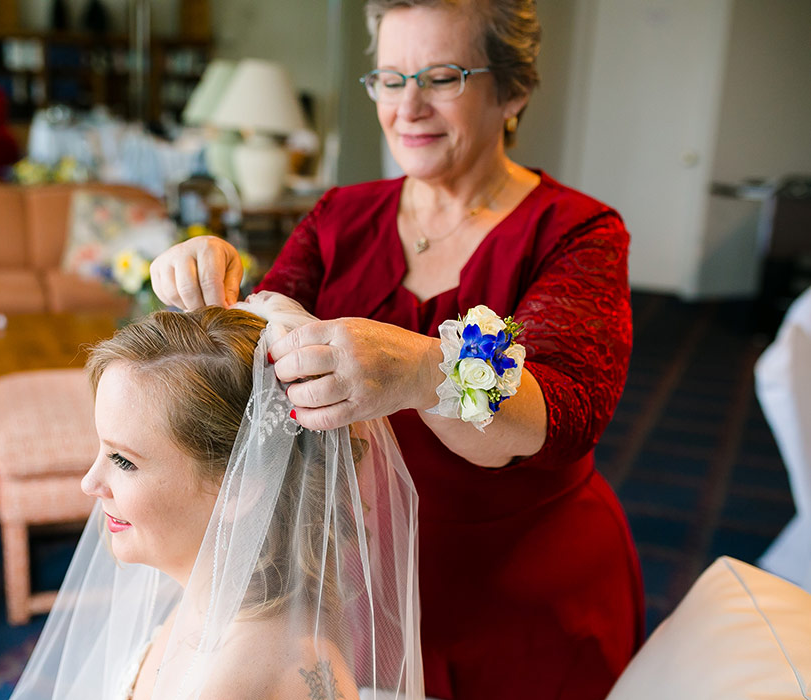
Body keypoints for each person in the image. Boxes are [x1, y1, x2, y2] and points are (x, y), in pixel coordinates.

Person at [149, 1, 644, 699]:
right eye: (388, 78)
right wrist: (212, 284)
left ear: (514, 89)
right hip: (356, 586)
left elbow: (564, 412)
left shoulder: (577, 231)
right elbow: (254, 358)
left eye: (441, 77)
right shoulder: (339, 216)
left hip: (518, 596)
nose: (407, 107)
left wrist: (420, 370)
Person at [10, 297, 423, 699]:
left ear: (240, 487)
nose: (89, 482)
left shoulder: (246, 679)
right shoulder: (213, 599)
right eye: (102, 450)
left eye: (123, 460)